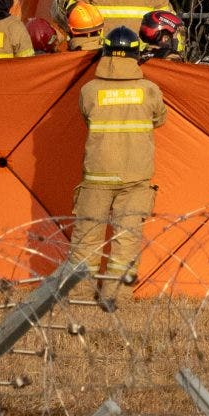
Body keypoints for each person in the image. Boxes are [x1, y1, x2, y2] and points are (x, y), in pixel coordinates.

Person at [73, 25, 168, 308]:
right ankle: (116, 299)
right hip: (136, 178)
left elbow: (87, 119)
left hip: (97, 177)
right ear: (135, 56)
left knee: (86, 240)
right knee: (126, 241)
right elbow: (159, 119)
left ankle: (78, 297)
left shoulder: (89, 90)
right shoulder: (149, 90)